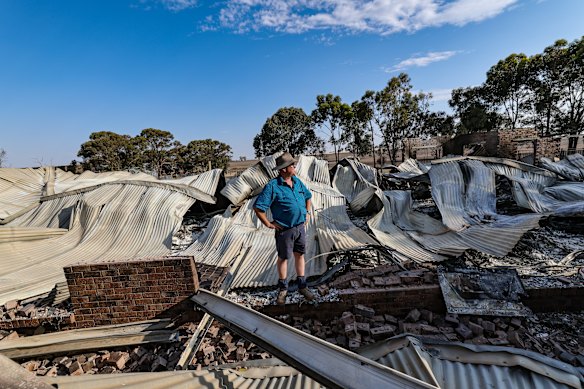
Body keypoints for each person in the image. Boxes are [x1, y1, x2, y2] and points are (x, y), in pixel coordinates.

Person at [253, 152, 315, 305]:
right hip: (284, 230)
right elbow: (258, 208)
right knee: (284, 258)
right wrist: (268, 224)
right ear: (283, 169)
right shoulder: (272, 186)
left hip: (300, 227)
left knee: (299, 255)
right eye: (292, 165)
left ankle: (302, 286)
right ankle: (283, 289)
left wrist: (307, 213)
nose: (294, 167)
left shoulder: (297, 182)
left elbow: (308, 197)